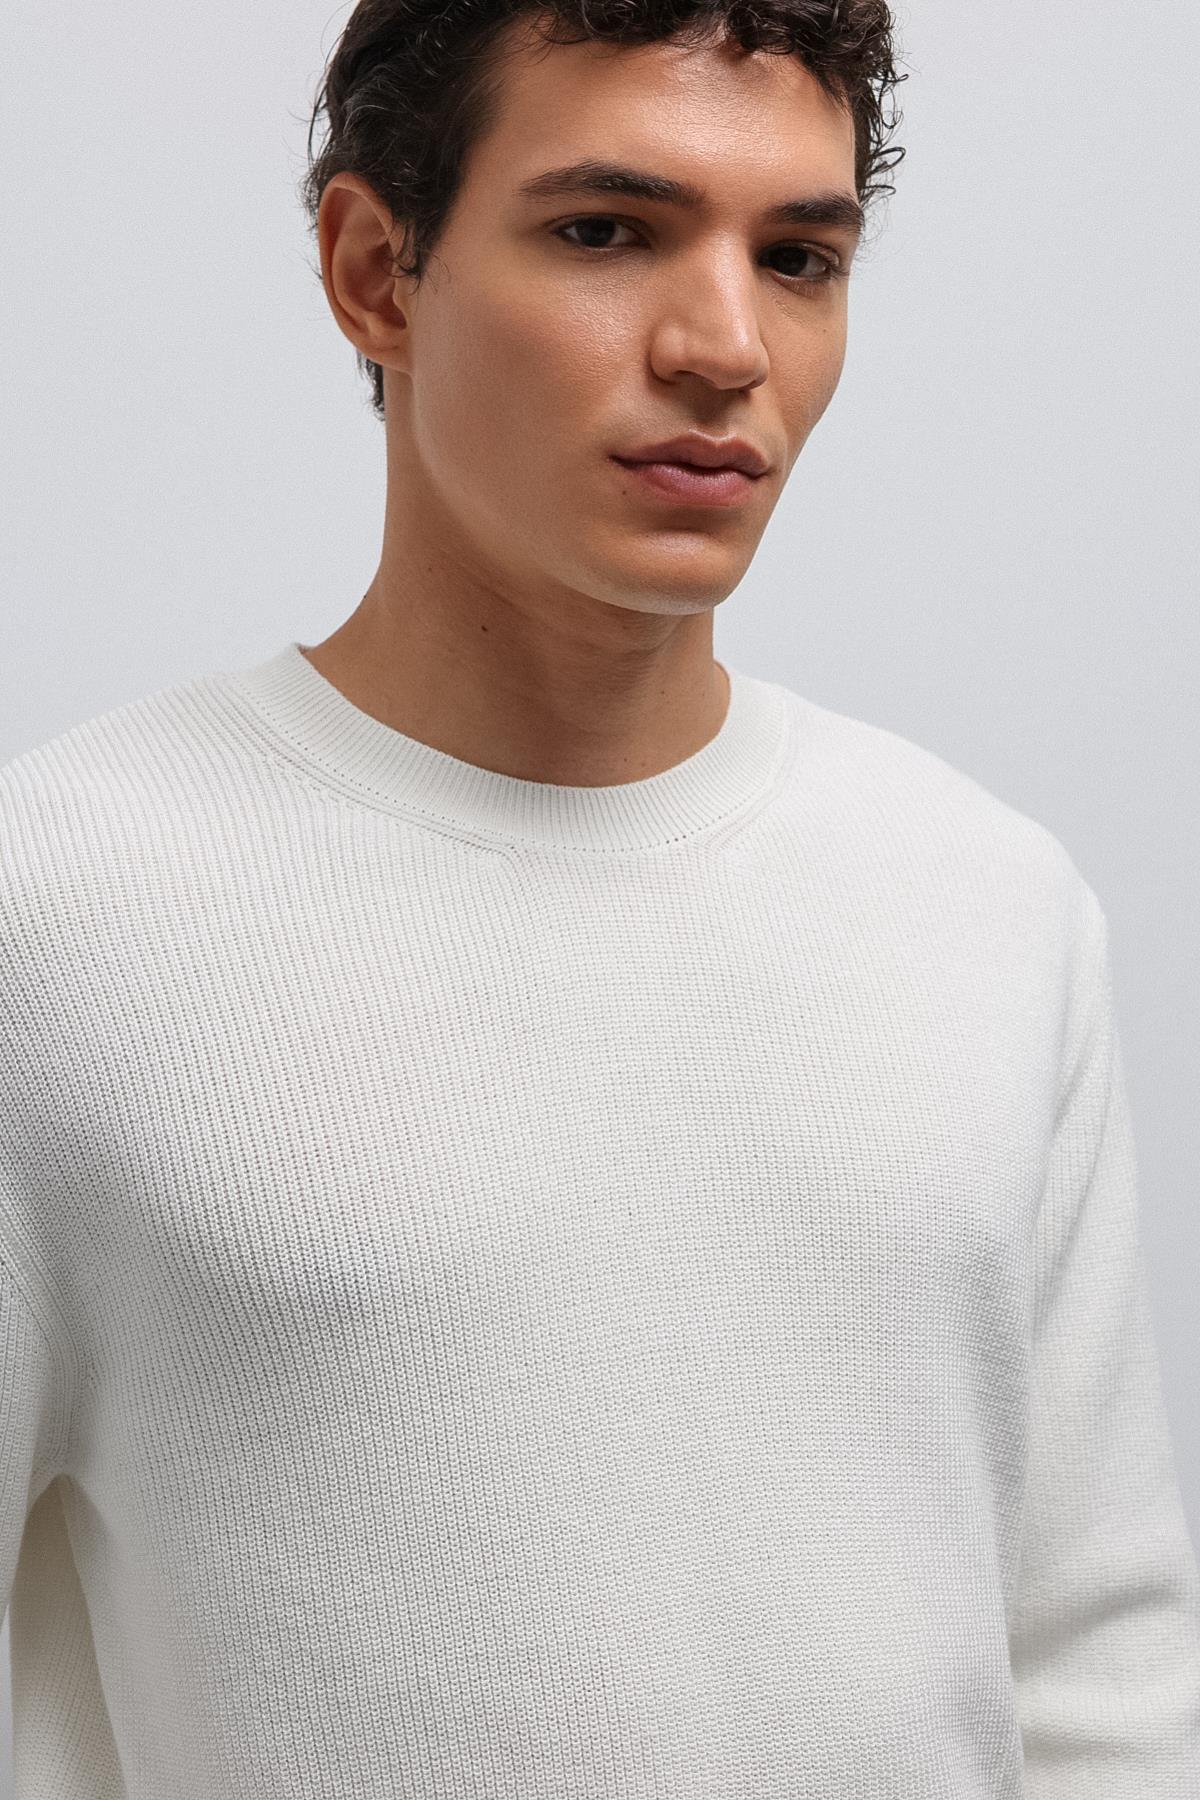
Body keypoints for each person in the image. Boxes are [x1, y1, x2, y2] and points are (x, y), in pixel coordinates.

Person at [2, 0, 1198, 1793]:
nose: (726, 347)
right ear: (375, 272)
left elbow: (1104, 1677)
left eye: (798, 257)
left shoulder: (990, 906)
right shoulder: (58, 913)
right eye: (605, 231)